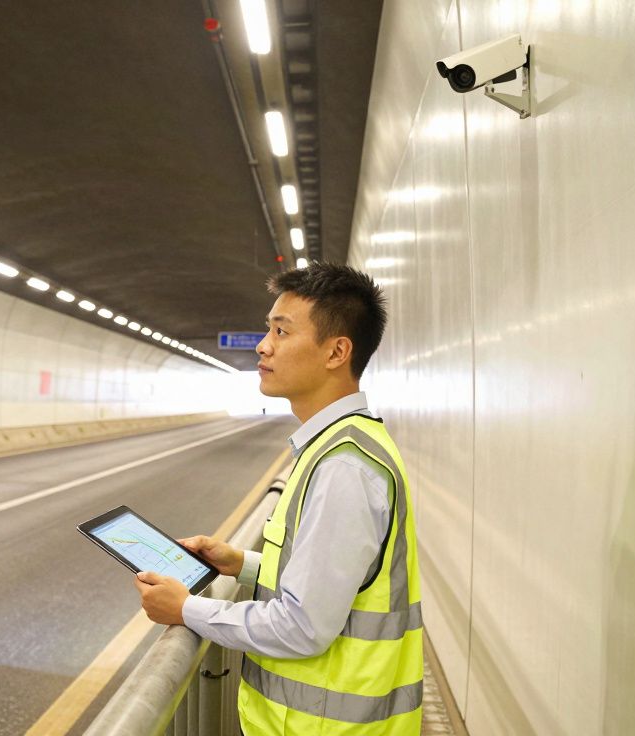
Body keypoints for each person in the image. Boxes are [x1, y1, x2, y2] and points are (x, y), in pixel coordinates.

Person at [133, 262, 423, 734]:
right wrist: (241, 563)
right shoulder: (339, 445)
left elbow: (302, 627)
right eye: (268, 329)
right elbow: (334, 580)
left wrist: (186, 609)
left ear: (336, 352)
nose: (263, 346)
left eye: (282, 331)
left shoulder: (344, 467)